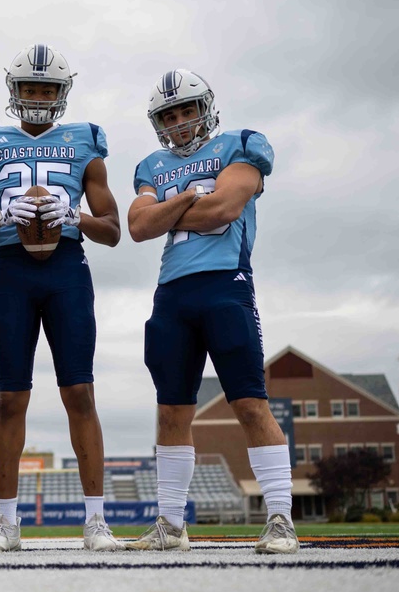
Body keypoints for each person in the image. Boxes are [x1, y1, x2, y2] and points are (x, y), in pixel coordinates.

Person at [0, 44, 123, 552]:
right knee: (10, 398)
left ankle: (96, 522)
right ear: (14, 90)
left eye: (47, 88)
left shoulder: (85, 142)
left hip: (67, 269)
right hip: (10, 271)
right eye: (30, 87)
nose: (39, 96)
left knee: (81, 394)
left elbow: (114, 230)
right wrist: (2, 217)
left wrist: (72, 216)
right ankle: (7, 524)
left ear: (62, 92)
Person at [126, 69, 298, 555]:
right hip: (171, 295)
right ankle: (171, 525)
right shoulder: (151, 164)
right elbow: (138, 225)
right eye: (169, 115)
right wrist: (188, 197)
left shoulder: (241, 144)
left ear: (206, 108)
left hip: (227, 286)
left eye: (186, 110)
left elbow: (223, 209)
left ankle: (281, 519)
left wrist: (169, 208)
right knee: (171, 410)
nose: (179, 122)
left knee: (248, 402)